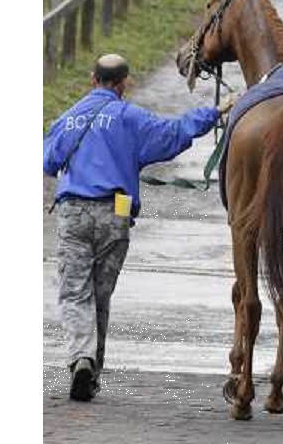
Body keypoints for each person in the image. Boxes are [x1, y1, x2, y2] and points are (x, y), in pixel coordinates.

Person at [43, 53, 234, 401]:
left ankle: (81, 358)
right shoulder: (130, 118)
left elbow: (48, 160)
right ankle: (91, 369)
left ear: (92, 79)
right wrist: (214, 112)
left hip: (73, 211)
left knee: (75, 293)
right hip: (115, 212)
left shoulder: (68, 118)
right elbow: (172, 134)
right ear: (125, 83)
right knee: (99, 296)